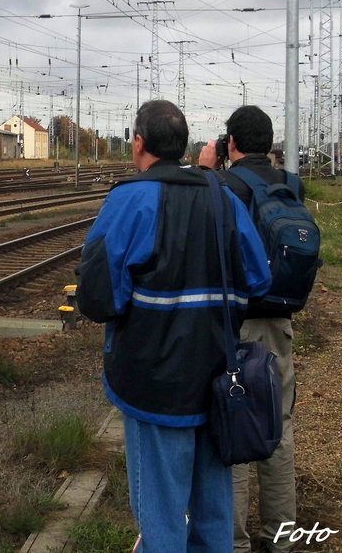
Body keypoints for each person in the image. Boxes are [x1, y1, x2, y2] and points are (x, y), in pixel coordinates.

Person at [77, 100, 271, 552]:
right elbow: (259, 276)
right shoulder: (221, 196)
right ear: (183, 145)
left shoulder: (129, 199)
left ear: (139, 143)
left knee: (161, 515)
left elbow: (98, 298)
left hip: (153, 383)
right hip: (220, 381)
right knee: (214, 511)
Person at [199, 106, 303, 553]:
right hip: (279, 319)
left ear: (230, 143)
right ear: (270, 142)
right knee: (278, 424)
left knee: (233, 421)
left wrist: (206, 170)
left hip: (234, 322)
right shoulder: (291, 184)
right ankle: (281, 536)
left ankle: (233, 541)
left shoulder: (222, 186)